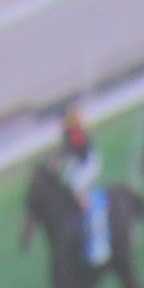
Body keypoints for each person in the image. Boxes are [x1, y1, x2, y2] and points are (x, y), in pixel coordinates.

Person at [52, 107, 113, 269]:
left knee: (77, 185)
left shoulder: (75, 133)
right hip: (80, 162)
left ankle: (90, 211)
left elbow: (72, 151)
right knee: (68, 183)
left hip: (89, 162)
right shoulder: (69, 133)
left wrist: (59, 161)